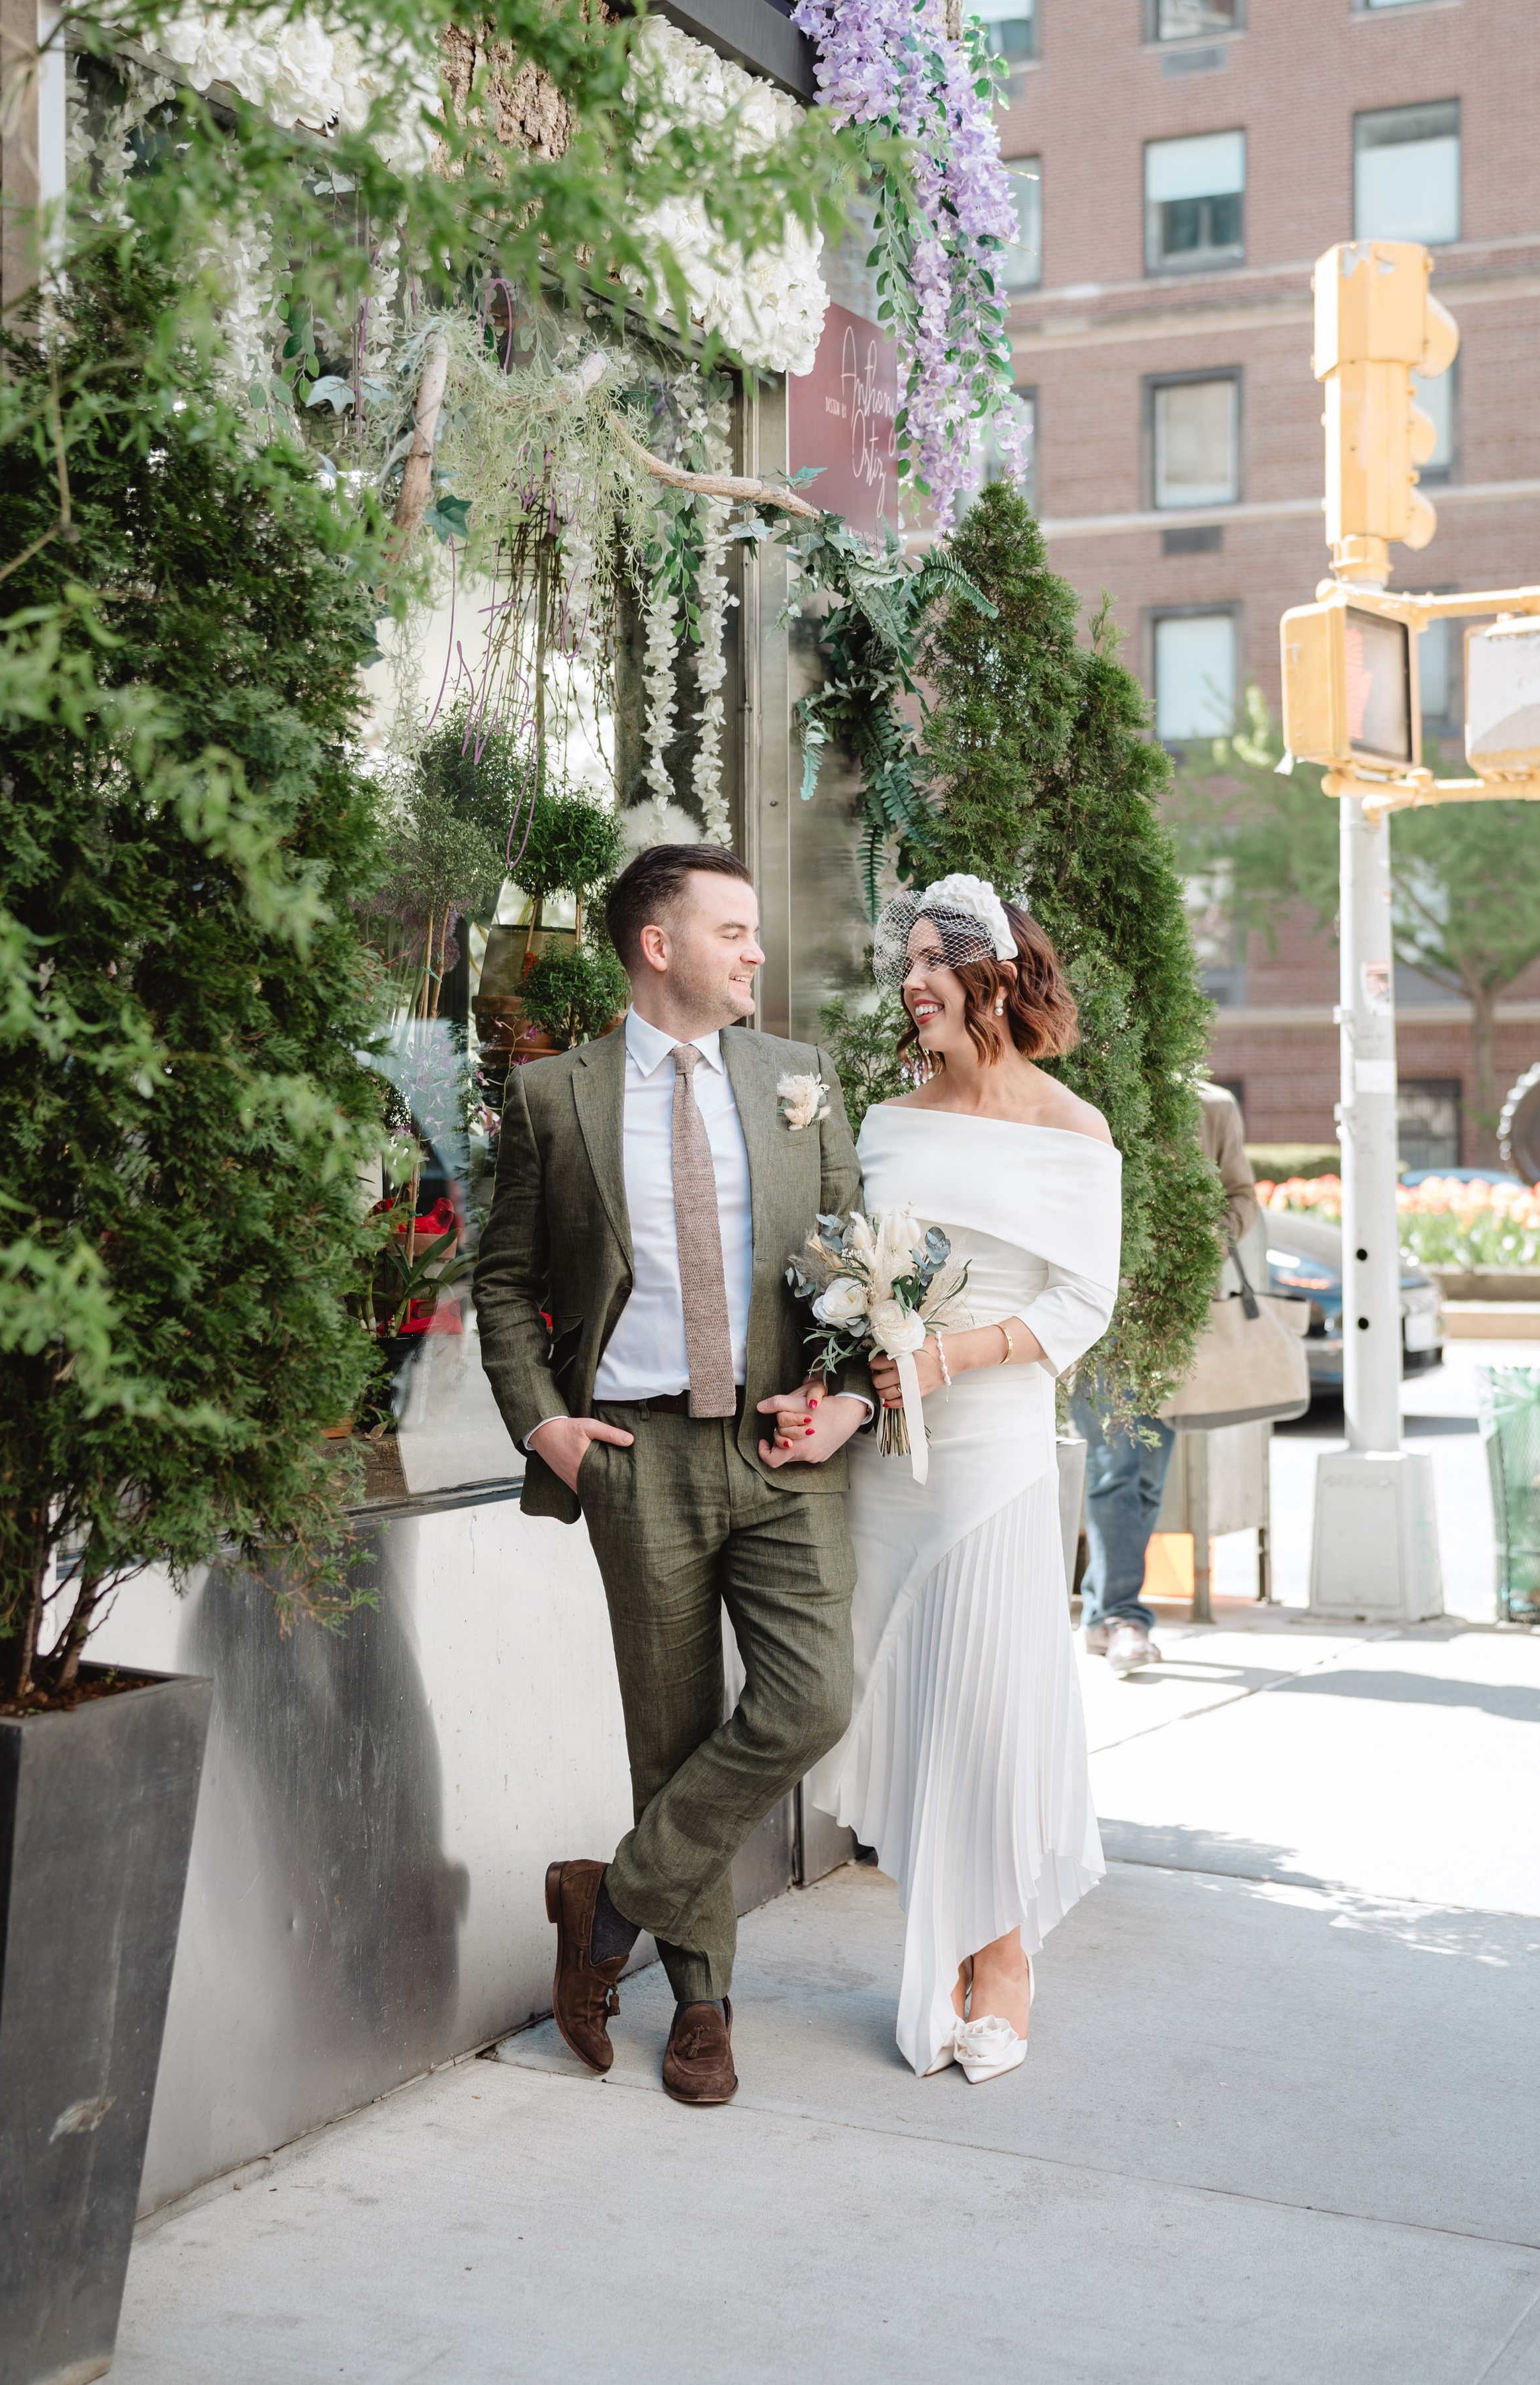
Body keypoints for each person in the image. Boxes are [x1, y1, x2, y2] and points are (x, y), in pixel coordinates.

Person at [474, 845, 875, 2108]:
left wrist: (849, 1396)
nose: (758, 952)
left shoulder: (799, 1079)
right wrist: (543, 1423)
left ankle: (609, 1908)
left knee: (812, 1701)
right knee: (673, 1728)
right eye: (735, 930)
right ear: (661, 946)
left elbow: (857, 1265)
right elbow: (500, 1282)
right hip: (634, 1453)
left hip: (779, 1447)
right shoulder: (554, 1096)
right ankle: (701, 2004)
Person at [807, 876, 1120, 2081]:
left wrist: (953, 1354)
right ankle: (931, 1939)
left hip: (990, 1444)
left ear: (1001, 973)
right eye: (907, 961)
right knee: (916, 1696)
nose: (913, 979)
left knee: (990, 1699)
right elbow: (851, 1279)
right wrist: (863, 1354)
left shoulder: (1070, 1128)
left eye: (937, 958)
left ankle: (1002, 1954)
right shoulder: (885, 1125)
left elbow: (1080, 1301)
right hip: (893, 1458)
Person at [1068, 1081, 1262, 1673]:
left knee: (1145, 1476)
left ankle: (1102, 1615)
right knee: (1117, 1469)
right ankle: (1124, 1616)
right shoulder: (1092, 1093)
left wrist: (1198, 1245)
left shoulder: (1213, 1106)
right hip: (1102, 1313)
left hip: (1172, 1315)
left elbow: (1243, 1197)